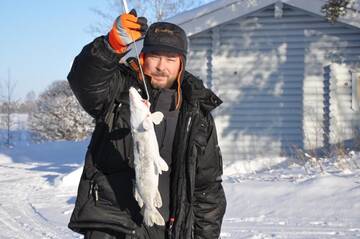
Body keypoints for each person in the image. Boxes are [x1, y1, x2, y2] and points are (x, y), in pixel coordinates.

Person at [67, 9, 226, 239]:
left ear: (182, 64)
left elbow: (207, 189)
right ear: (143, 57)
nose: (162, 66)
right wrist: (110, 45)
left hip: (166, 230)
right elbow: (85, 82)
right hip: (112, 227)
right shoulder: (120, 90)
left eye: (171, 59)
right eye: (155, 57)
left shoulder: (197, 114)